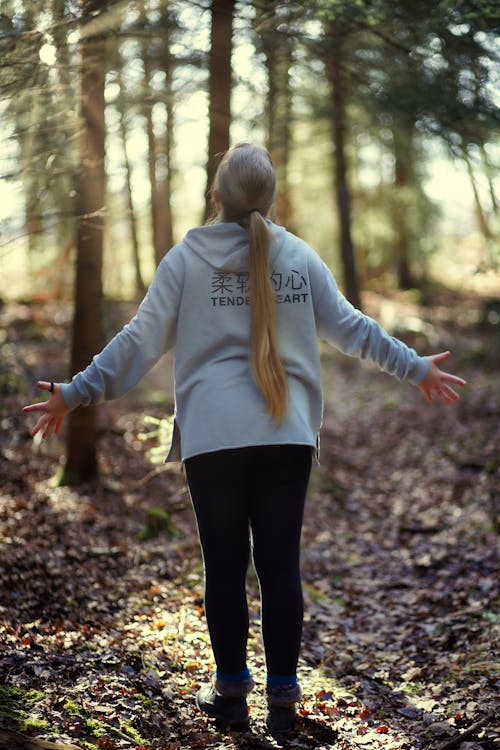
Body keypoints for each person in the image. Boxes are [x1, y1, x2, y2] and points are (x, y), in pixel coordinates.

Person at [23, 143, 466, 734]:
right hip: (286, 433)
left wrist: (73, 392)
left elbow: (137, 342)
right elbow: (353, 330)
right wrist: (416, 367)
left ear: (216, 194)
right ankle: (283, 697)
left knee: (225, 566)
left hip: (214, 436)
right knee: (281, 566)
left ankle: (230, 692)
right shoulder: (299, 257)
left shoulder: (186, 260)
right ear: (273, 198)